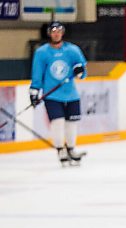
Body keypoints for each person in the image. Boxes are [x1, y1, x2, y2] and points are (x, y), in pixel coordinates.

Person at [30, 21, 87, 166]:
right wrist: (34, 92)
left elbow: (82, 70)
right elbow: (37, 74)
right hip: (53, 95)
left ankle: (71, 149)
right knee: (58, 122)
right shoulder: (42, 52)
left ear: (62, 33)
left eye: (59, 31)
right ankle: (61, 150)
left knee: (71, 123)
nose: (56, 33)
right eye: (53, 31)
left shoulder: (72, 50)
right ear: (49, 33)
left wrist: (79, 72)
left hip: (71, 94)